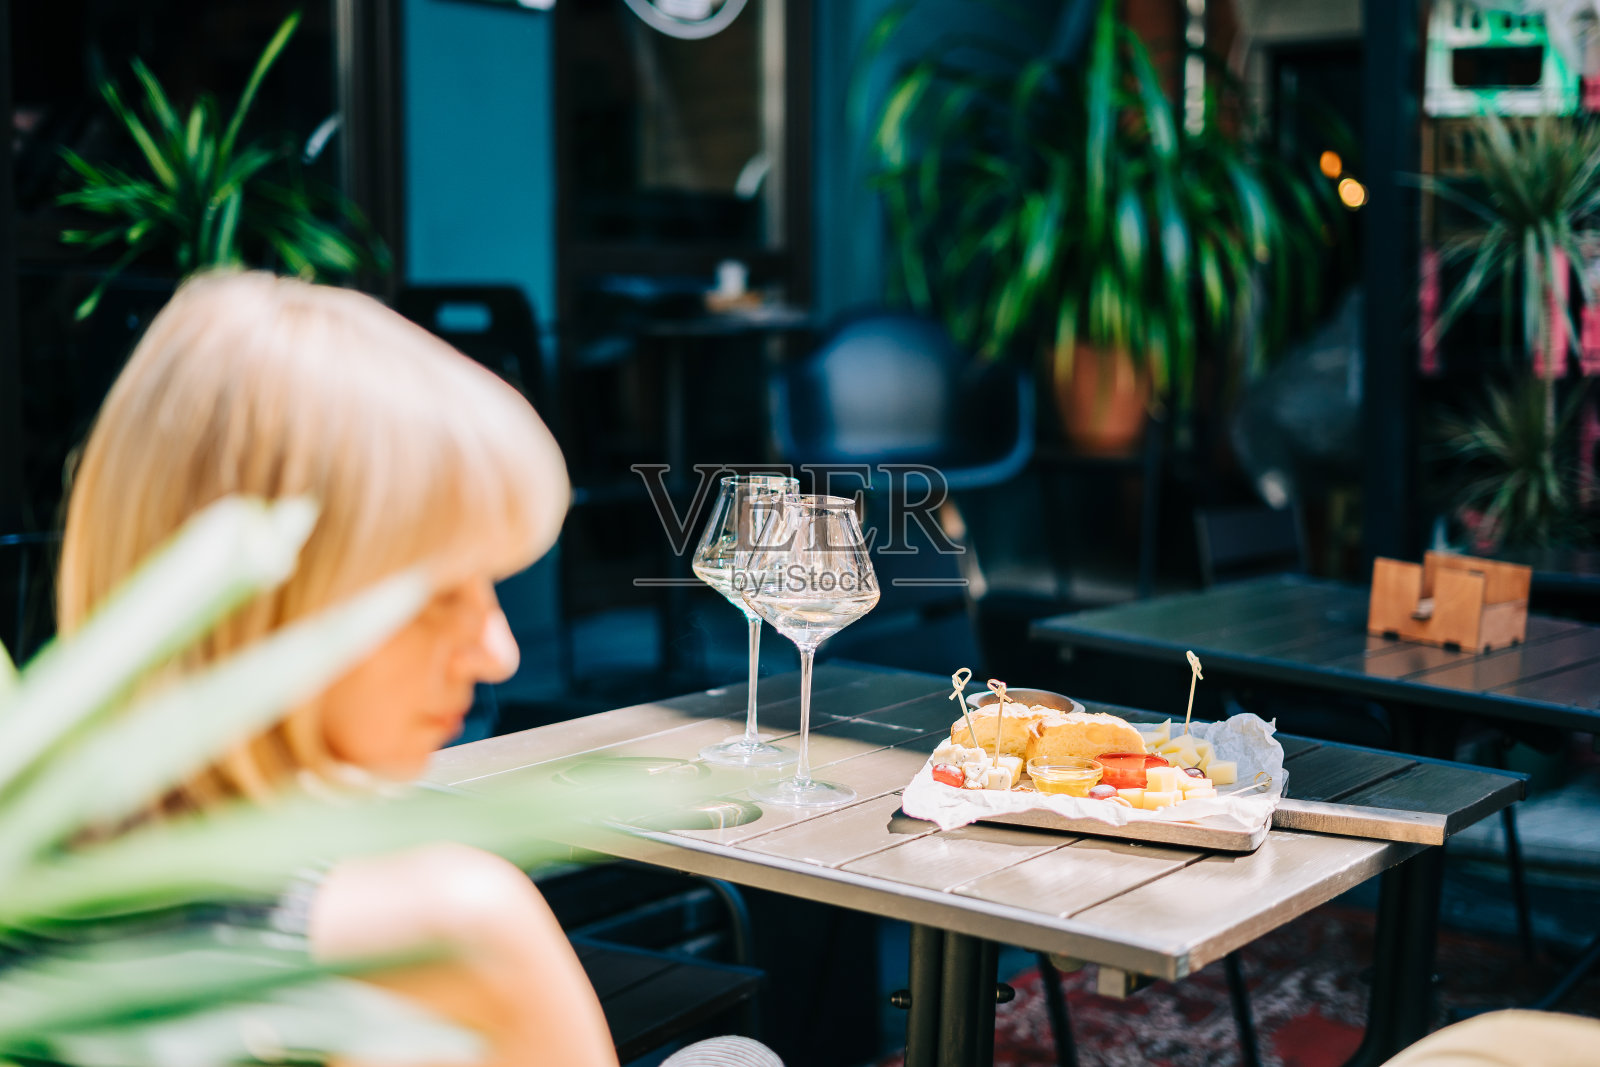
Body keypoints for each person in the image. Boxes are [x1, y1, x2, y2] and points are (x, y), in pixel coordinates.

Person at [56, 271, 780, 1067]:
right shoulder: (441, 923)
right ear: (273, 600)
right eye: (439, 590)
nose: (499, 651)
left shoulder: (39, 883)